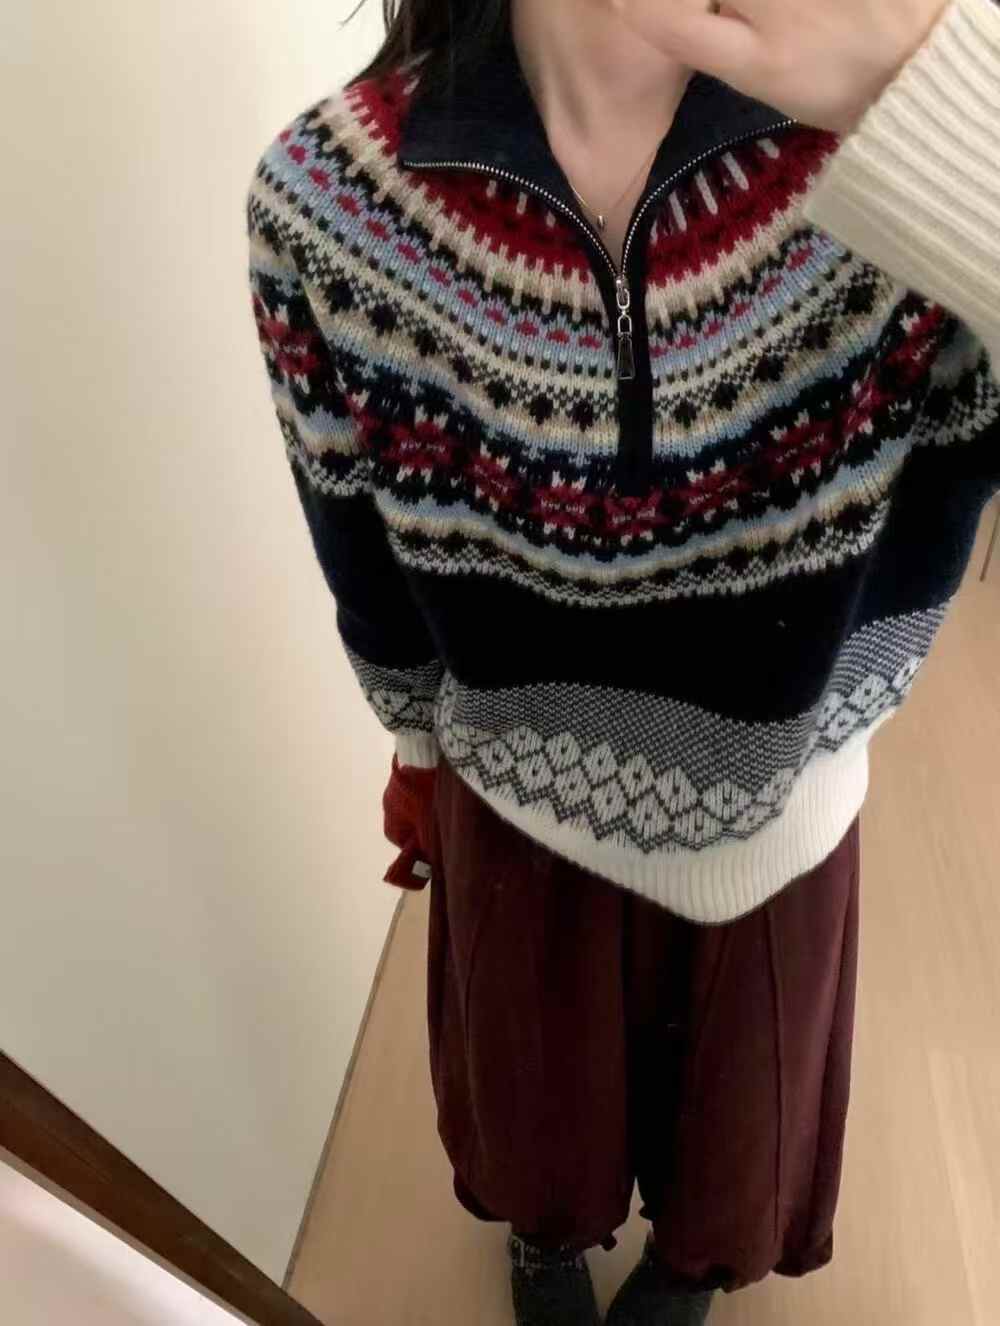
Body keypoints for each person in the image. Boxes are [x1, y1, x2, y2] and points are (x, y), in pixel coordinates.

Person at [246, 0, 1000, 1320]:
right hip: (513, 802)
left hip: (791, 806)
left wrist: (947, 104)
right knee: (540, 1128)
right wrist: (414, 748)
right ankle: (550, 1240)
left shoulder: (905, 160)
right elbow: (351, 532)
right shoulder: (325, 198)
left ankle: (686, 1267)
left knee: (738, 1148)